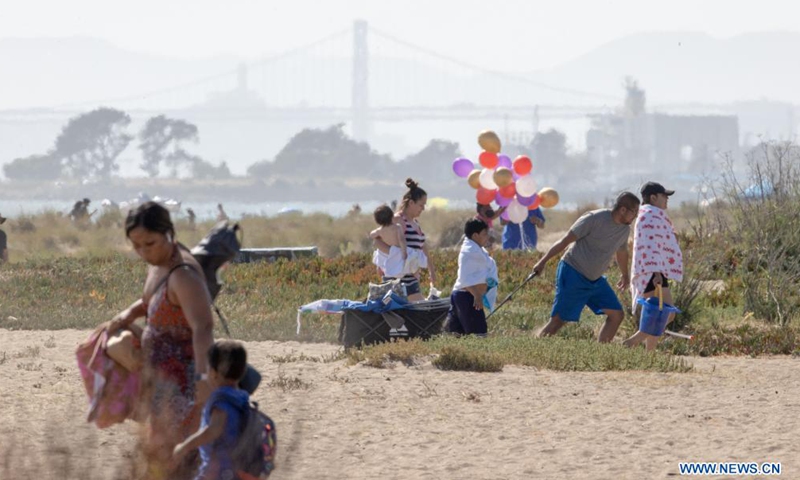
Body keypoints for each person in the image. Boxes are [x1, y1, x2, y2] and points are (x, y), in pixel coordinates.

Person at [105, 201, 215, 480]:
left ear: (169, 233)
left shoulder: (184, 275)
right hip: (160, 380)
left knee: (177, 458)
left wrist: (204, 378)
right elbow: (150, 300)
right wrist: (126, 315)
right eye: (136, 246)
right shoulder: (159, 265)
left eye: (150, 244)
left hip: (183, 384)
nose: (143, 252)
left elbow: (203, 327)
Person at [532, 192, 640, 342]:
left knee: (616, 314)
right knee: (558, 321)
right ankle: (537, 346)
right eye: (634, 211)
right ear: (623, 210)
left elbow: (621, 252)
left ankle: (601, 353)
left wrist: (625, 275)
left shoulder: (624, 230)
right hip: (572, 273)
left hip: (595, 280)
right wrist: (542, 262)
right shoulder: (593, 219)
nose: (635, 216)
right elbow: (565, 241)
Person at [173, 340, 249, 480]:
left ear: (213, 373)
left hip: (216, 472)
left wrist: (185, 446)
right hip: (235, 470)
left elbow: (214, 430)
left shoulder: (221, 399)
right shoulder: (241, 397)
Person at [623, 182, 684, 351]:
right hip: (653, 271)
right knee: (666, 313)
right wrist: (656, 271)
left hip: (653, 270)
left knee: (655, 314)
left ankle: (650, 354)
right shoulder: (650, 215)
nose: (667, 200)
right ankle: (631, 343)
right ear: (653, 197)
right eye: (664, 196)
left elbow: (660, 242)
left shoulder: (648, 215)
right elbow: (650, 247)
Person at [374, 179, 438, 302]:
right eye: (421, 205)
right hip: (397, 278)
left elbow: (423, 247)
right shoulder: (398, 220)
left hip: (411, 279)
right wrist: (392, 256)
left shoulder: (415, 223)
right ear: (411, 203)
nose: (423, 208)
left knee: (414, 314)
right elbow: (378, 240)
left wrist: (432, 271)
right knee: (418, 312)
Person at [445, 219, 499, 337]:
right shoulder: (469, 252)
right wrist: (477, 295)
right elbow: (465, 278)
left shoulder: (476, 249)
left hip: (466, 297)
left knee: (458, 335)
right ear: (475, 235)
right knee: (478, 335)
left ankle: (458, 355)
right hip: (467, 297)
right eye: (484, 234)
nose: (487, 237)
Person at [370, 204, 414, 278]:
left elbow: (371, 235)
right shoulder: (397, 227)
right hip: (398, 251)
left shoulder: (380, 230)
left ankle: (380, 267)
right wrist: (404, 252)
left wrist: (378, 234)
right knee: (413, 255)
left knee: (378, 249)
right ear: (391, 216)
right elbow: (402, 240)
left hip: (388, 253)